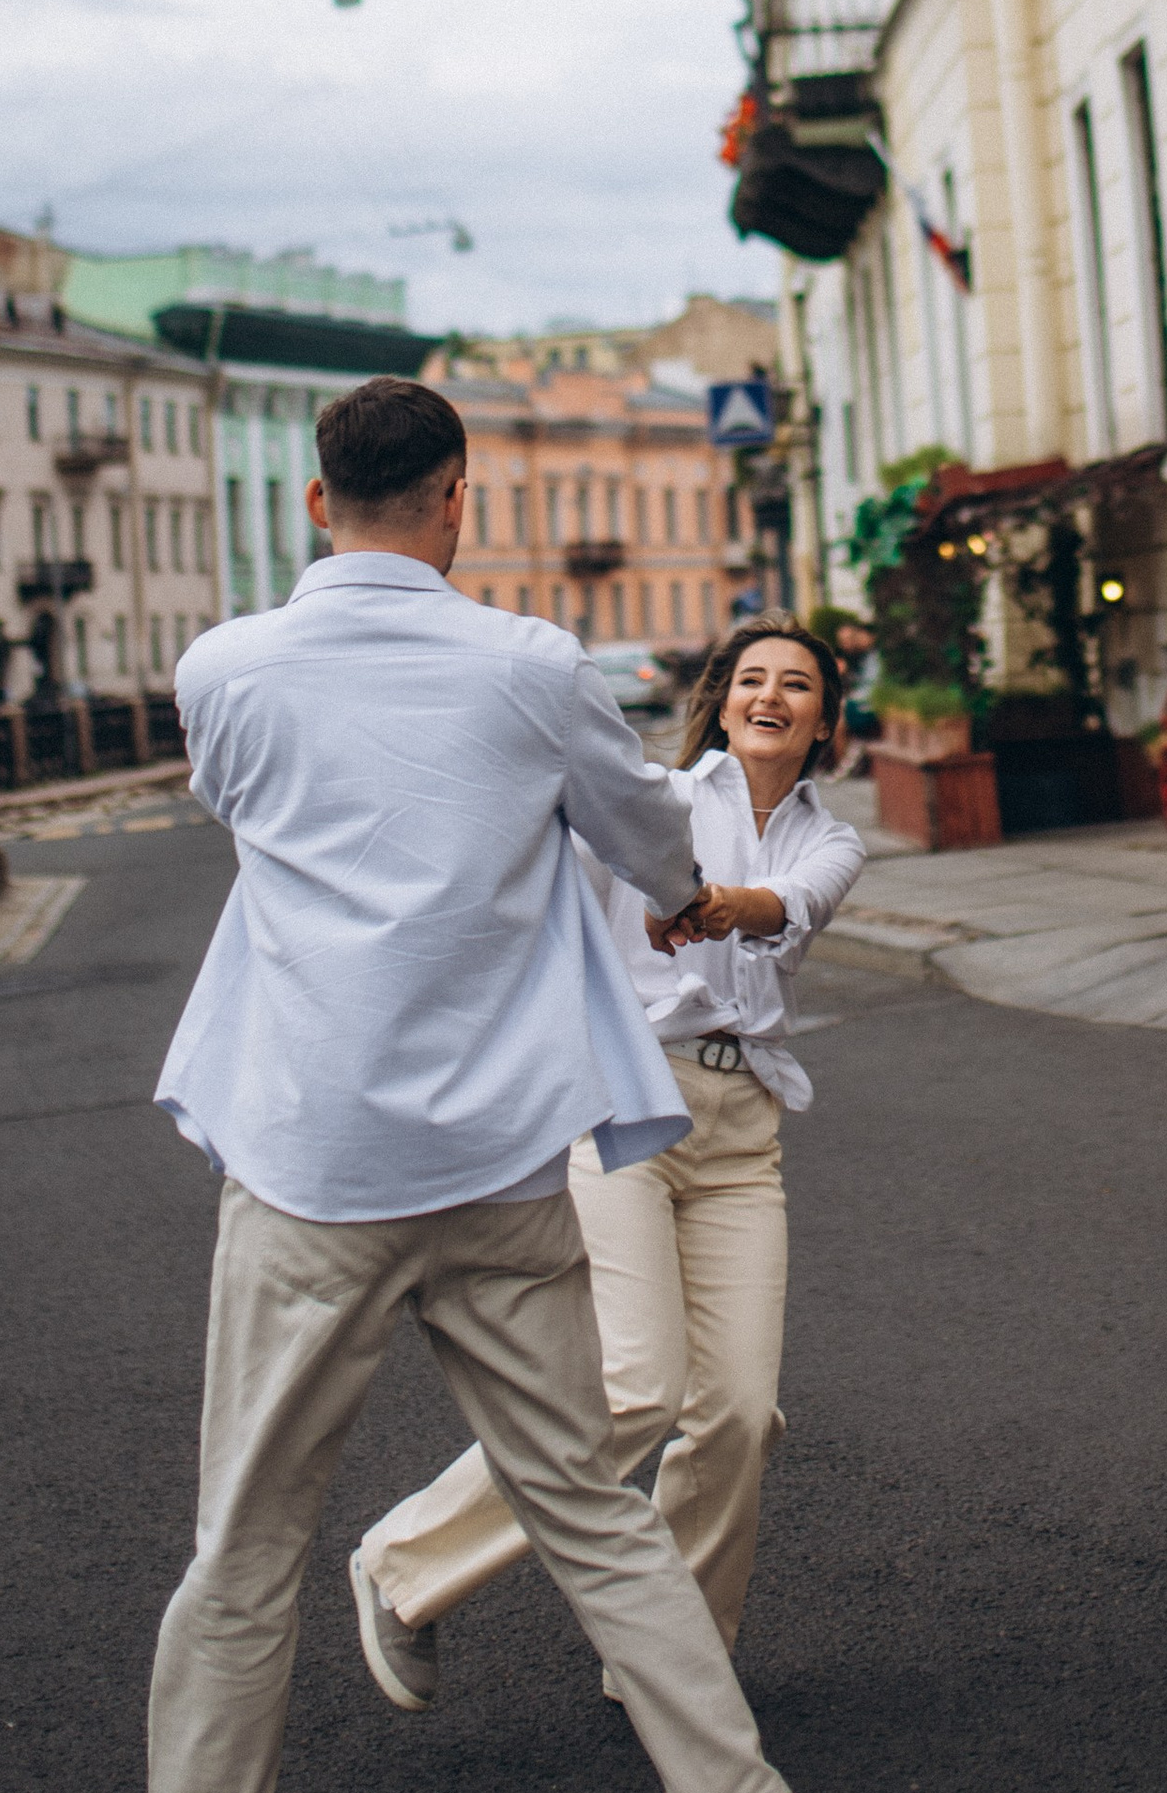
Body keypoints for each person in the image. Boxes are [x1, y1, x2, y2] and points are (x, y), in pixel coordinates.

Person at [136, 381, 836, 1793]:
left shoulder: (225, 670)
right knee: (592, 1504)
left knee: (246, 1541)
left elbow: (242, 816)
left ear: (318, 505)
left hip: (312, 1166)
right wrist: (660, 889)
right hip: (503, 1160)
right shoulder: (530, 667)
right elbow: (652, 849)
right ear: (457, 499)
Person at [350, 610, 867, 1692]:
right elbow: (545, 898)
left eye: (798, 685)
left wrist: (711, 901)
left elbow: (790, 903)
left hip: (743, 1133)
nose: (771, 695)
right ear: (720, 698)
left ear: (826, 719)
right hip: (632, 1104)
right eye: (751, 679)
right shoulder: (659, 804)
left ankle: (669, 1660)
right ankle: (401, 1561)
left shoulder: (833, 837)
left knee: (734, 1413)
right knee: (637, 1384)